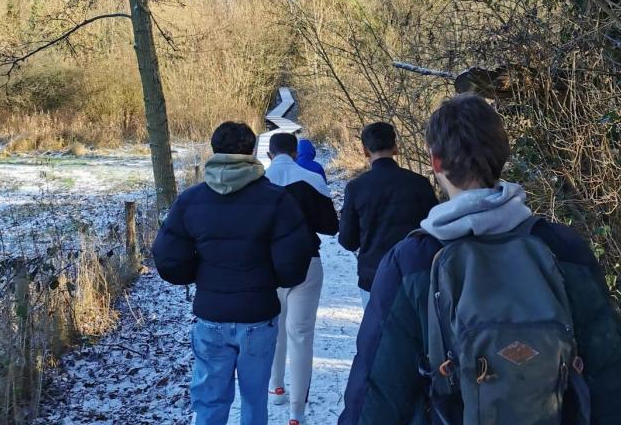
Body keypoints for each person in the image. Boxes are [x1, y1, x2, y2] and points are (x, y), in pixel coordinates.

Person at [339, 94, 621, 424]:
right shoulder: (564, 249)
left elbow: (377, 389)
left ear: (436, 162)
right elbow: (609, 375)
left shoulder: (411, 261)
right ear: (503, 156)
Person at [152, 121, 314, 425]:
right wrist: (271, 281)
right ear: (253, 151)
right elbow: (294, 262)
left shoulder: (191, 200)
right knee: (254, 401)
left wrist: (198, 273)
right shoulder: (277, 200)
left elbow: (168, 257)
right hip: (258, 315)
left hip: (211, 316)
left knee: (210, 400)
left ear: (214, 150)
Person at [265, 132, 338, 425]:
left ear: (269, 154)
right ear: (296, 153)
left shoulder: (256, 182)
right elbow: (331, 227)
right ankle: (297, 413)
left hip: (267, 266)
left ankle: (276, 387)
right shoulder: (312, 180)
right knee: (301, 335)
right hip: (307, 262)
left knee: (275, 328)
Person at [338, 121, 437, 308]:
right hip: (416, 273)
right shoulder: (420, 183)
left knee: (378, 334)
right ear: (395, 147)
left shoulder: (356, 188)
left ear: (365, 151)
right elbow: (434, 230)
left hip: (374, 276)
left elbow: (348, 241)